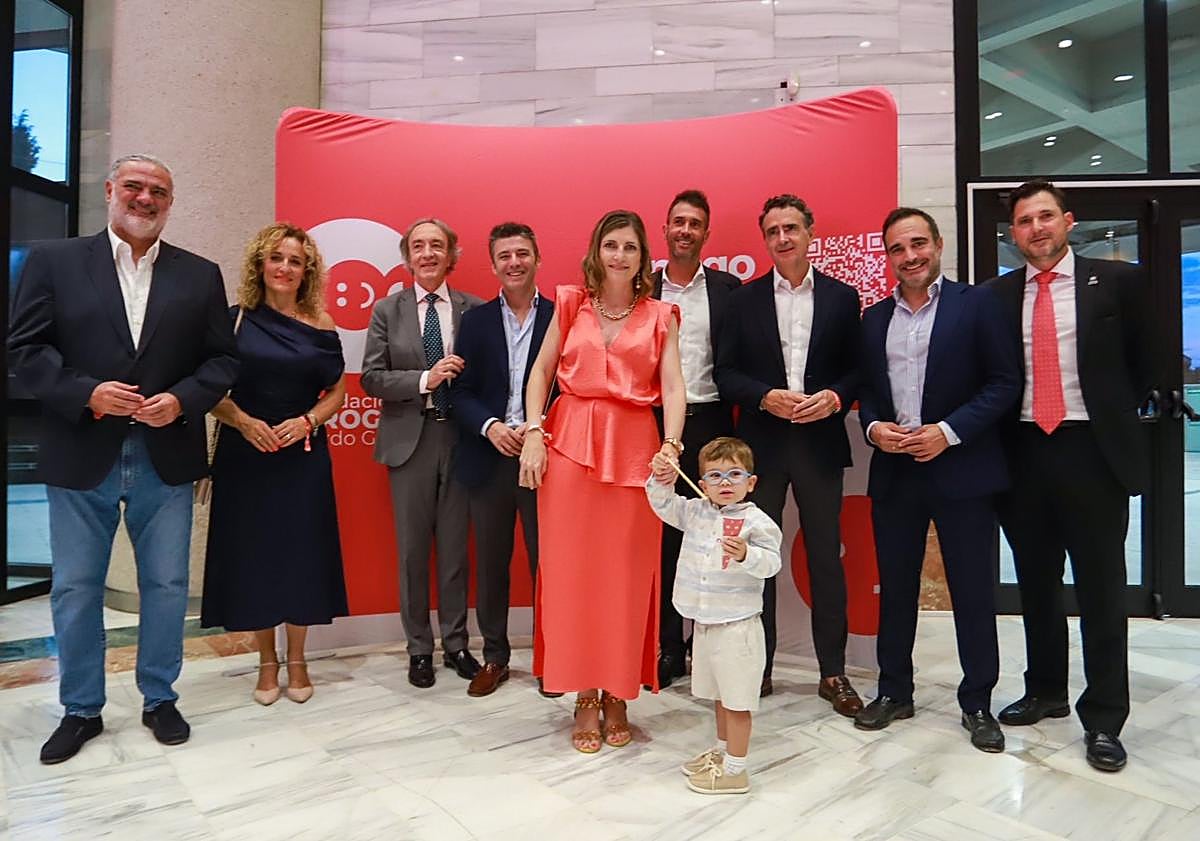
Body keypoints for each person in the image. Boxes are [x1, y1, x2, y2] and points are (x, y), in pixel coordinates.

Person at [8, 154, 239, 763]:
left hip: (166, 452)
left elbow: (222, 361)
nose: (144, 198)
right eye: (133, 187)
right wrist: (86, 392)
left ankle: (159, 697)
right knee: (77, 588)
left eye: (158, 190)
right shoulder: (55, 262)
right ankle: (81, 709)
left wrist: (183, 400)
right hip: (83, 448)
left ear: (170, 201)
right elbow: (25, 350)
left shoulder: (200, 274)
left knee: (165, 585)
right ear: (110, 191)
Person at [986, 180, 1152, 772]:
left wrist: (1108, 417)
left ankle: (1105, 718)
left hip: (1092, 452)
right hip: (1024, 453)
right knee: (1035, 582)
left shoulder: (1118, 283)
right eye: (1025, 221)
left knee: (1102, 589)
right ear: (1013, 234)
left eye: (1046, 216)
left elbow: (1146, 364)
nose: (1036, 228)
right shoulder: (996, 296)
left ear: (1068, 221)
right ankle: (1046, 690)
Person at [854, 208, 1021, 752]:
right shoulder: (874, 319)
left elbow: (1003, 384)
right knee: (896, 589)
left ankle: (977, 702)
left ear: (939, 244)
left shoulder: (979, 305)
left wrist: (948, 432)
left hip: (963, 470)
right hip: (896, 473)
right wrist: (876, 427)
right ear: (888, 258)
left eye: (918, 244)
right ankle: (894, 691)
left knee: (972, 591)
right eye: (898, 249)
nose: (910, 257)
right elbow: (871, 392)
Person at [519, 209, 686, 753]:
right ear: (597, 251)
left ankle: (618, 691)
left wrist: (671, 445)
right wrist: (535, 432)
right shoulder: (569, 304)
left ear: (643, 257)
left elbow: (674, 386)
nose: (620, 255)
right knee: (570, 577)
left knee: (624, 577)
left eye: (630, 247)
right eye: (611, 245)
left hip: (635, 452)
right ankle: (584, 694)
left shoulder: (662, 315)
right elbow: (540, 372)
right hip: (568, 446)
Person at [714, 194, 862, 707]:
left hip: (820, 444)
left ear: (810, 231)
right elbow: (725, 374)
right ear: (766, 238)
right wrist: (763, 397)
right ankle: (760, 668)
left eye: (792, 228)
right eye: (774, 230)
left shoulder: (844, 299)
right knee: (758, 558)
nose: (783, 238)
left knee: (826, 558)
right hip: (763, 449)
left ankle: (833, 673)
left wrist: (837, 397)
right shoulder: (742, 301)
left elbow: (857, 368)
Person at [200, 222, 349, 705]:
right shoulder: (234, 319)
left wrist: (308, 421)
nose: (285, 268)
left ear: (307, 271)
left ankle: (299, 660)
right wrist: (243, 421)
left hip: (302, 456)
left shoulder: (322, 324)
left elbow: (338, 391)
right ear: (260, 264)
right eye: (277, 258)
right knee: (255, 559)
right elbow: (210, 392)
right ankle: (267, 662)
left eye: (296, 261)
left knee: (301, 556)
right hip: (246, 456)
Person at [361, 218, 484, 689]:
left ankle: (455, 644)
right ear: (406, 256)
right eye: (418, 246)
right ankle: (418, 649)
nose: (428, 253)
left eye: (437, 245)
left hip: (460, 438)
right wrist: (424, 379)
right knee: (413, 552)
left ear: (452, 254)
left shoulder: (473, 311)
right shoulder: (387, 311)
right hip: (408, 441)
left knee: (455, 551)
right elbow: (372, 378)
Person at [450, 222, 554, 698]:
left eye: (522, 253)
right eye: (505, 255)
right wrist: (491, 427)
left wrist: (537, 430)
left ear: (537, 258)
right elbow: (461, 392)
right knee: (491, 563)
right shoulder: (473, 322)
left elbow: (570, 386)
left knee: (547, 563)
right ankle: (494, 656)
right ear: (493, 265)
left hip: (544, 459)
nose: (514, 262)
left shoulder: (561, 317)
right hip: (488, 457)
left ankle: (553, 659)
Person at [646, 437, 782, 795]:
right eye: (715, 476)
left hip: (737, 629)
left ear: (750, 483)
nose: (725, 483)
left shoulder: (758, 523)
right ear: (702, 483)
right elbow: (661, 503)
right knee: (720, 696)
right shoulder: (695, 511)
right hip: (705, 623)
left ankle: (736, 770)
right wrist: (661, 475)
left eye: (735, 474)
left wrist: (746, 555)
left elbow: (771, 565)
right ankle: (723, 754)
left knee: (737, 701)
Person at [650, 189, 741, 689]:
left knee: (708, 538)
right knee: (662, 539)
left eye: (695, 224)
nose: (685, 230)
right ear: (665, 228)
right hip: (654, 423)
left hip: (711, 424)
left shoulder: (729, 289)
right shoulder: (642, 287)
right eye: (677, 221)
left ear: (707, 234)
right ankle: (666, 646)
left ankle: (703, 646)